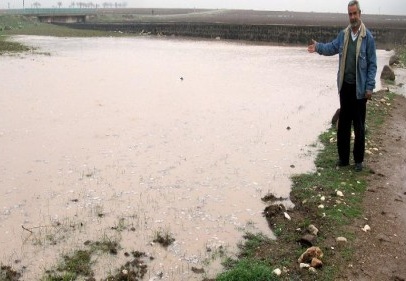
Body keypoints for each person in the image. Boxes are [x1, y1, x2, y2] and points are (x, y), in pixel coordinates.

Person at [307, 0, 377, 172]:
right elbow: (331, 47)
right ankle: (344, 159)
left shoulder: (368, 38)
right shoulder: (343, 35)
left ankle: (359, 161)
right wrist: (317, 47)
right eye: (350, 14)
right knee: (344, 124)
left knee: (359, 125)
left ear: (360, 13)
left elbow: (372, 65)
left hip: (360, 89)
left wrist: (370, 87)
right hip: (345, 87)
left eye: (355, 13)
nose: (352, 17)